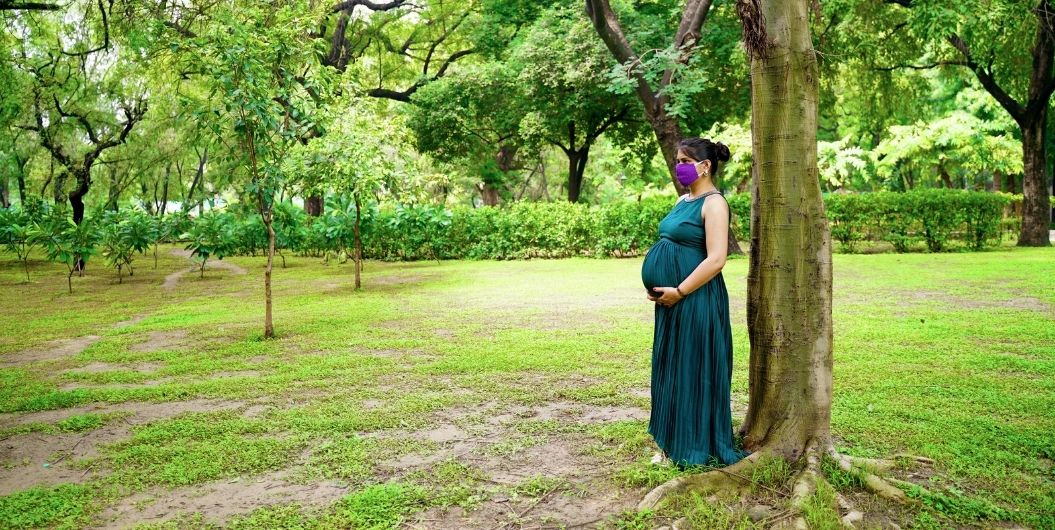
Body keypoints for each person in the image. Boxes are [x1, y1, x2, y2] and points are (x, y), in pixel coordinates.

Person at [640, 137, 748, 469]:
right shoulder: (682, 199)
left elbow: (716, 260)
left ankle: (695, 446)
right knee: (673, 368)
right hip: (671, 302)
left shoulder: (715, 204)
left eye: (685, 160)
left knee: (694, 369)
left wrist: (680, 290)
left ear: (705, 166)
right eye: (677, 160)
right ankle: (673, 443)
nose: (679, 166)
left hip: (696, 299)